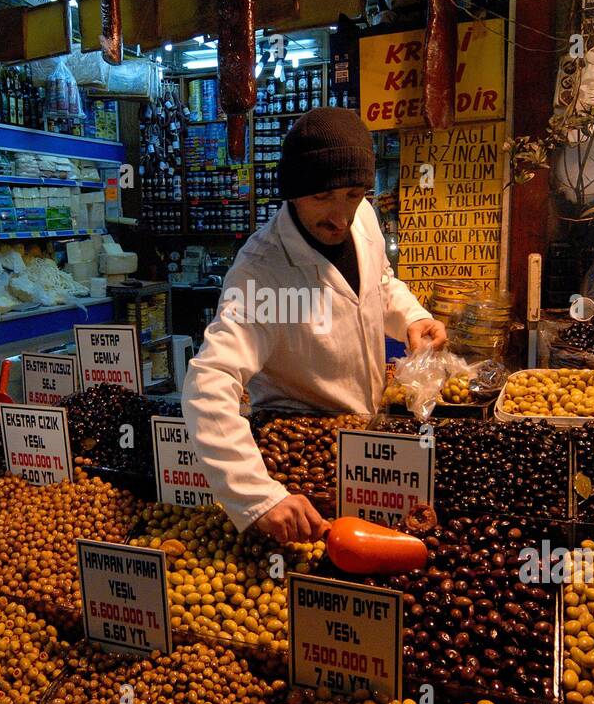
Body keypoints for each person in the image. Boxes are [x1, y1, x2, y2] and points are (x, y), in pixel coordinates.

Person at [183, 108, 445, 543]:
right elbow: (209, 382)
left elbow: (379, 281)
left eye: (353, 194)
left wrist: (412, 316)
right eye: (323, 198)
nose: (341, 216)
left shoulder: (362, 218)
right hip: (298, 448)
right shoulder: (262, 272)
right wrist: (256, 496)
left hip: (364, 436)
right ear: (293, 193)